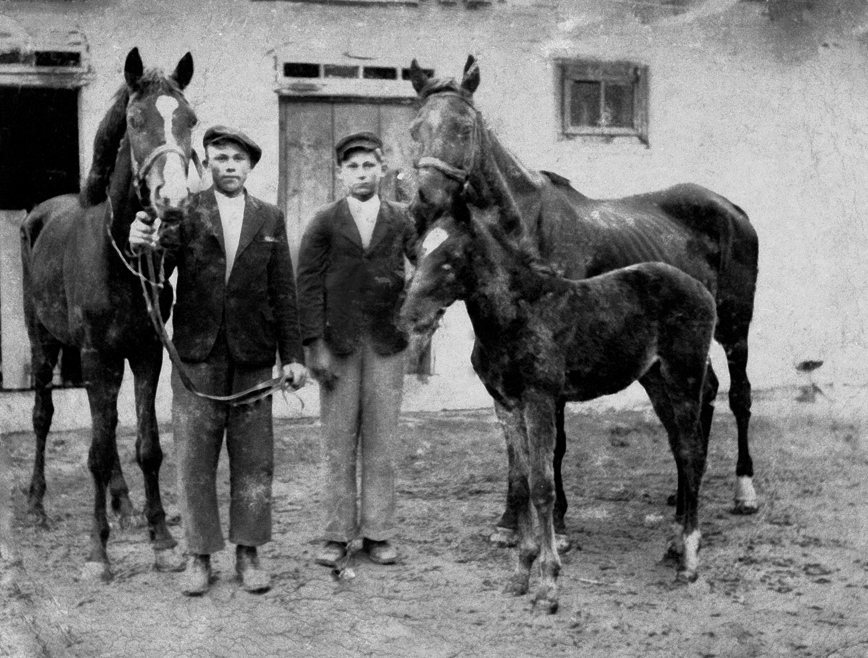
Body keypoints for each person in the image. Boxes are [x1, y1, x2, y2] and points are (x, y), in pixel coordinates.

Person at [129, 126, 307, 596]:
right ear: (207, 165)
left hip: (252, 356)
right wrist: (141, 241)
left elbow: (284, 293)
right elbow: (157, 270)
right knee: (194, 460)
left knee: (254, 460)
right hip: (197, 356)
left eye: (238, 159)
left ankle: (249, 552)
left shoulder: (270, 218)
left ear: (251, 166)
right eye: (220, 158)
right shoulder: (186, 211)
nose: (229, 166)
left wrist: (293, 356)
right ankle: (199, 555)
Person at [296, 131, 416, 568]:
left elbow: (427, 266)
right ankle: (336, 535)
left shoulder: (402, 218)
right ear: (340, 173)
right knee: (338, 442)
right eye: (353, 167)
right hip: (338, 345)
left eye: (369, 165)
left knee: (382, 442)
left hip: (386, 343)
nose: (361, 174)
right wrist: (314, 345)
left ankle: (379, 534)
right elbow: (306, 283)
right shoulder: (325, 220)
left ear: (383, 169)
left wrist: (416, 319)